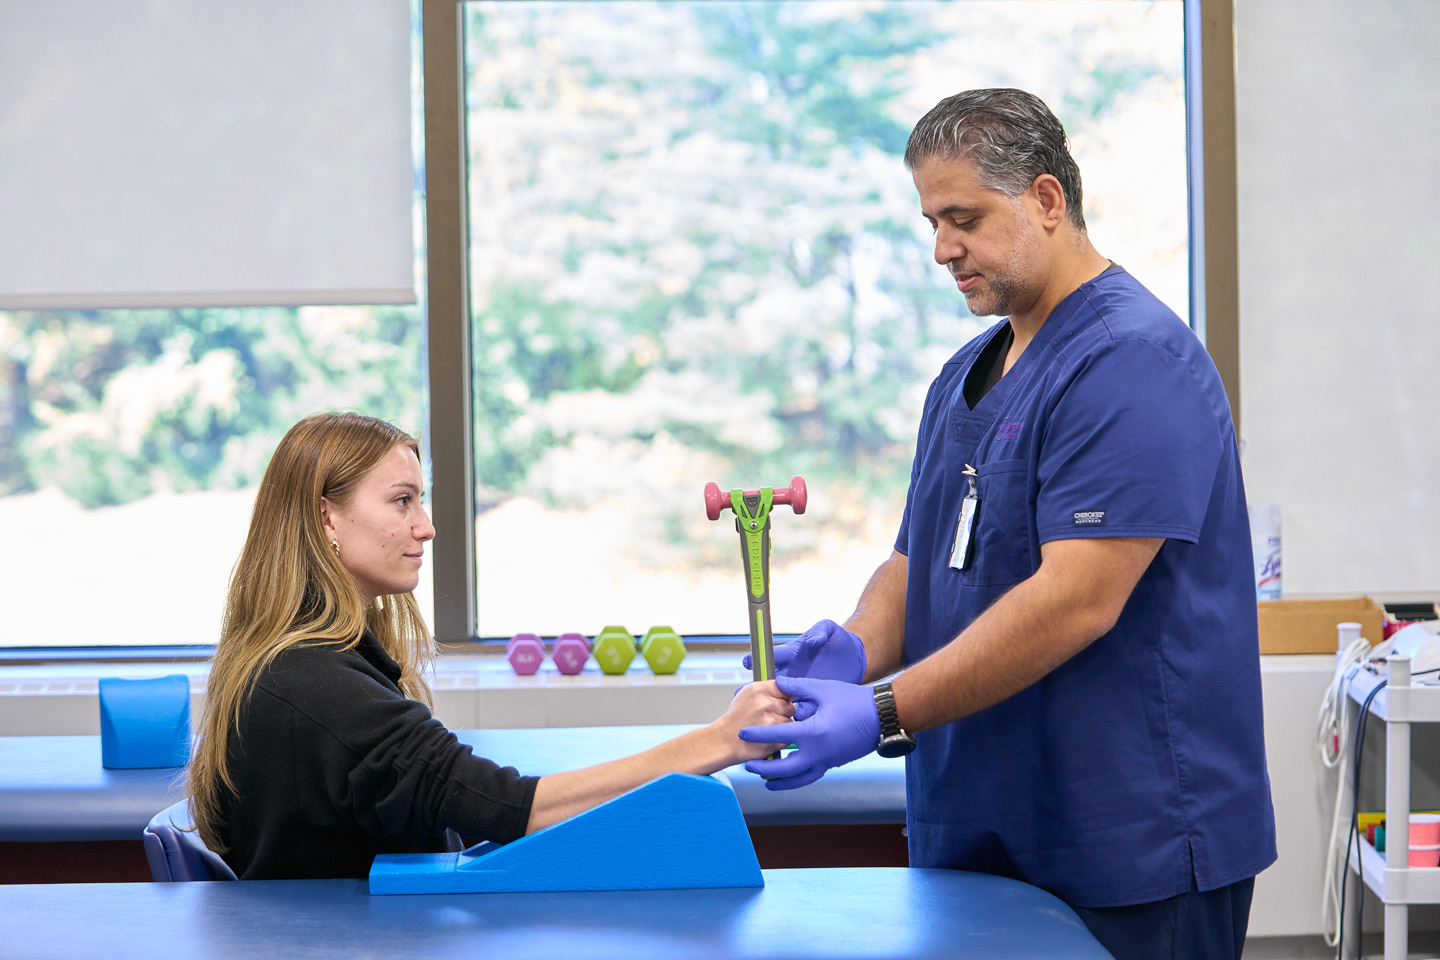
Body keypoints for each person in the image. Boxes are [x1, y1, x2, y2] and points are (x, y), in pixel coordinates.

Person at [737, 89, 1276, 959]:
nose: (942, 249)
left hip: (1125, 839)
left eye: (965, 219)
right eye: (932, 223)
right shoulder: (964, 375)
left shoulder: (1131, 361)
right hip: (981, 824)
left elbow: (1076, 600)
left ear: (1047, 200)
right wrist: (857, 647)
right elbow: (915, 560)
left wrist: (877, 710)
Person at [186, 412, 791, 880]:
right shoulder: (315, 688)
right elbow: (512, 810)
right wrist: (724, 739)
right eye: (402, 500)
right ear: (327, 520)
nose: (426, 526)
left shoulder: (303, 664)